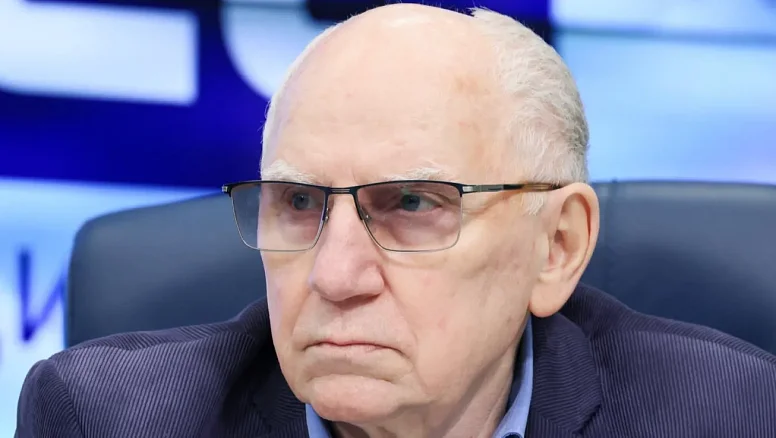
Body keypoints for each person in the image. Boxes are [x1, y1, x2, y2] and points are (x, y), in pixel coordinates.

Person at [15, 4, 776, 438]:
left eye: (412, 203)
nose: (334, 275)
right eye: (299, 203)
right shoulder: (106, 419)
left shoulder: (727, 415)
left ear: (556, 247)